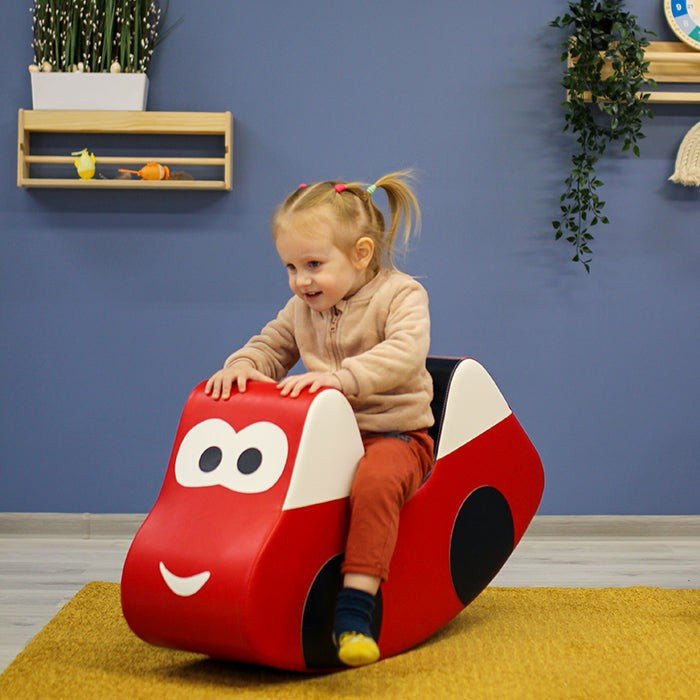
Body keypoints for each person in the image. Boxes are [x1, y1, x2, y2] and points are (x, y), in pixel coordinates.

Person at [205, 170, 434, 667]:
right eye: (290, 266)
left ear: (361, 254)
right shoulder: (300, 308)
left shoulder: (401, 296)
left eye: (313, 264)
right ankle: (246, 580)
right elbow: (269, 346)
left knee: (374, 484)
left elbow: (406, 352)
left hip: (392, 434)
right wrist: (241, 367)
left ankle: (355, 610)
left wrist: (343, 378)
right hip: (325, 438)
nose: (301, 280)